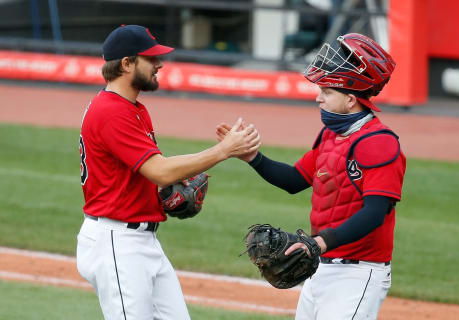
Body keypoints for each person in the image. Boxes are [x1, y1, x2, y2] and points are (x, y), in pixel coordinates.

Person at [76, 25, 260, 320]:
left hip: (141, 241)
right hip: (117, 242)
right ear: (126, 64)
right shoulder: (111, 111)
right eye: (151, 59)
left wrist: (176, 178)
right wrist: (224, 150)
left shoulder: (132, 108)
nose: (159, 64)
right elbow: (160, 171)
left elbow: (153, 167)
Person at [217, 33, 406, 320]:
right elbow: (294, 180)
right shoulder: (330, 136)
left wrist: (318, 242)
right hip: (320, 267)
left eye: (327, 92)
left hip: (357, 275)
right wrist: (252, 157)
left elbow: (375, 213)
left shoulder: (379, 143)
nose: (318, 98)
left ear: (351, 99)